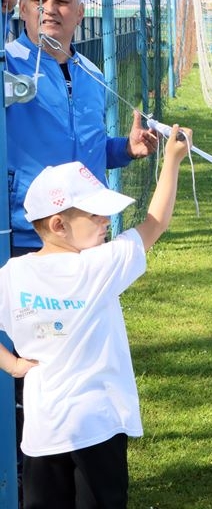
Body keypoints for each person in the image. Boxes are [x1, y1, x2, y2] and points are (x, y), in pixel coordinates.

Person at [0, 124, 192, 507]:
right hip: (99, 428)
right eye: (97, 215)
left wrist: (14, 366)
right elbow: (155, 223)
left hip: (43, 431)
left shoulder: (11, 275)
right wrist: (171, 160)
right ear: (59, 225)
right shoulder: (99, 267)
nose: (107, 221)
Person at [4, 0, 159, 256]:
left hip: (88, 232)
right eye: (39, 0)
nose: (49, 9)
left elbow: (90, 149)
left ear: (80, 13)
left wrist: (126, 148)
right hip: (28, 235)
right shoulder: (7, 66)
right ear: (22, 9)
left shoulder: (92, 74)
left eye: (62, 1)